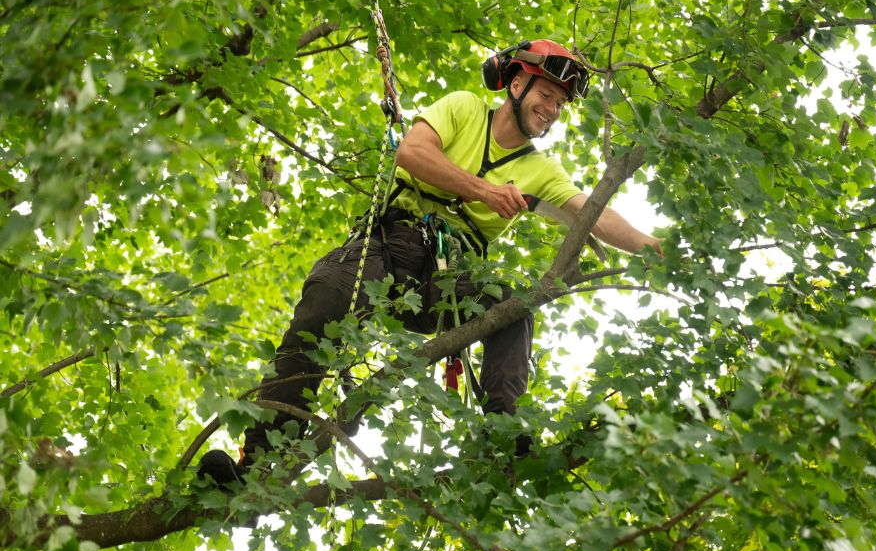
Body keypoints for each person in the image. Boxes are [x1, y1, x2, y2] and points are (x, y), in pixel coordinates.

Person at [198, 39, 661, 486]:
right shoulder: (462, 109)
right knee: (324, 301)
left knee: (512, 305)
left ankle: (502, 432)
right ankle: (259, 460)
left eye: (560, 103)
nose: (552, 109)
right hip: (386, 248)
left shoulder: (541, 169)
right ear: (516, 85)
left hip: (449, 279)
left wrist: (649, 246)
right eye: (546, 94)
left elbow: (594, 215)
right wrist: (483, 190)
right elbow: (412, 152)